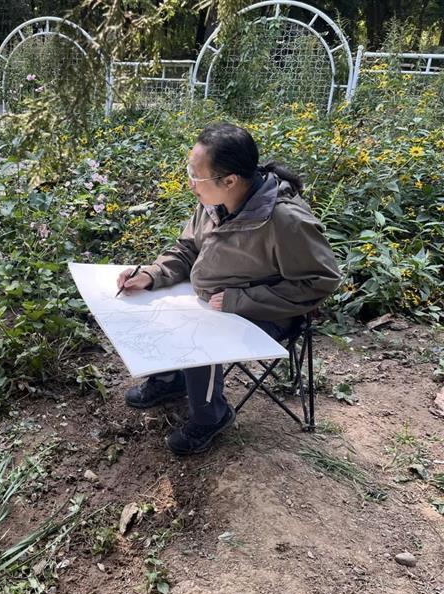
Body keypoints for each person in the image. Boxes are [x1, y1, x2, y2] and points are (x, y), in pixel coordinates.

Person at [117, 122, 341, 456]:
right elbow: (187, 249)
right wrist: (152, 274)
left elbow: (320, 280)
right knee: (153, 303)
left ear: (230, 180)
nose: (190, 184)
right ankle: (169, 380)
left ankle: (212, 416)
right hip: (215, 299)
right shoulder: (213, 202)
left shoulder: (284, 221)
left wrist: (242, 301)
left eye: (197, 176)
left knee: (200, 334)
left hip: (271, 310)